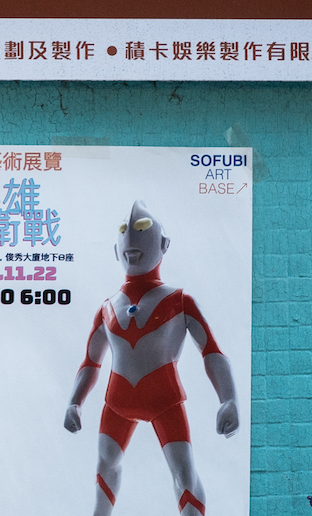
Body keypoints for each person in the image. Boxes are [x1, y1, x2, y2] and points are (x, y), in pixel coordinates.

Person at [63, 201, 239, 516]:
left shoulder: (180, 301)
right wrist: (74, 401)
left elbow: (211, 351)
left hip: (164, 400)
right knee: (106, 467)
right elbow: (90, 362)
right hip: (118, 401)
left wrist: (228, 398)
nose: (132, 235)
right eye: (125, 231)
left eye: (142, 228)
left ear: (163, 244)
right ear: (116, 251)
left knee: (184, 474)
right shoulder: (107, 308)